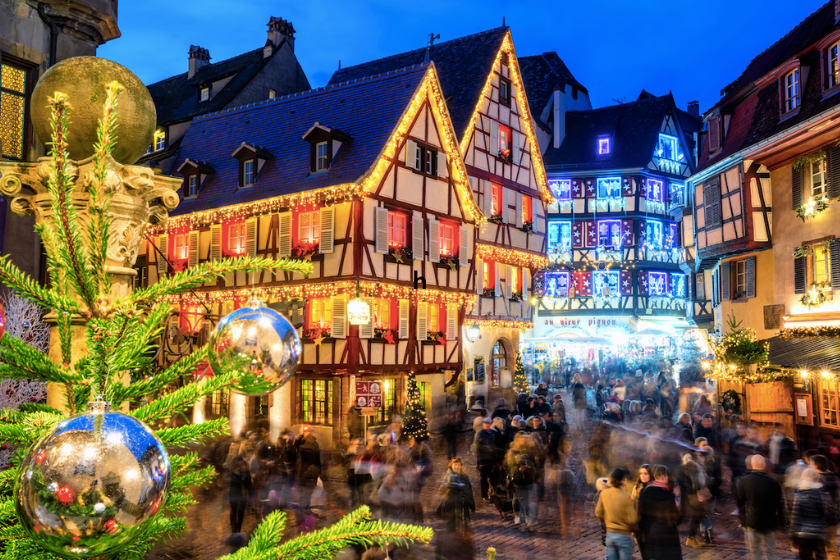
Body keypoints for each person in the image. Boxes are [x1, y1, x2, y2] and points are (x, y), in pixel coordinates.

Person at [736, 454, 785, 560]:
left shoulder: (743, 481)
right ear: (763, 465)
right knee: (771, 552)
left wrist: (743, 520)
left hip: (753, 520)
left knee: (755, 551)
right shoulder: (773, 482)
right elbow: (779, 505)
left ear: (752, 465)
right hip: (770, 521)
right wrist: (781, 522)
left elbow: (740, 503)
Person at [638, 465, 682, 560]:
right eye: (667, 476)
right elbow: (676, 518)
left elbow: (641, 513)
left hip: (649, 532)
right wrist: (677, 497)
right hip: (665, 534)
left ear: (654, 476)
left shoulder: (643, 492)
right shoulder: (668, 494)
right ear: (663, 477)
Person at [436, 458, 475, 560]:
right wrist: (441, 506)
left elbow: (469, 491)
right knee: (452, 529)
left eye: (459, 465)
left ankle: (463, 549)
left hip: (463, 507)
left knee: (464, 529)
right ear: (451, 466)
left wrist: (472, 504)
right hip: (451, 508)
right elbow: (441, 492)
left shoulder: (464, 477)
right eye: (455, 465)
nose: (457, 467)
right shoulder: (447, 476)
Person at [595, 467, 638, 560]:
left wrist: (608, 521)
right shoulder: (627, 497)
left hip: (610, 534)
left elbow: (598, 513)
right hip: (624, 535)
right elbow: (632, 519)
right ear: (623, 480)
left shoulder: (604, 494)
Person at [792, 468, 830, 560]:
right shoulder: (823, 495)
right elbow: (827, 515)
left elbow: (796, 518)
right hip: (819, 534)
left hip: (803, 535)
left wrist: (793, 536)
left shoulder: (799, 496)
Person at [810, 454, 839, 560]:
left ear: (815, 466)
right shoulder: (831, 477)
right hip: (832, 519)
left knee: (817, 549)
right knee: (831, 547)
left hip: (820, 521)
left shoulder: (816, 481)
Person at [295, 426, 322, 514]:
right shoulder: (301, 443)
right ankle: (302, 512)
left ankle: (307, 509)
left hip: (312, 472)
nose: (309, 432)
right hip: (303, 472)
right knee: (303, 493)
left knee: (309, 492)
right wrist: (300, 435)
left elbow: (318, 458)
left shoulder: (315, 443)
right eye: (306, 431)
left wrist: (319, 471)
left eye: (310, 431)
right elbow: (295, 444)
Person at [471, 417, 497, 500]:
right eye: (485, 423)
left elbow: (494, 445)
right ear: (483, 424)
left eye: (488, 423)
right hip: (483, 459)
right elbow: (476, 447)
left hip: (491, 459)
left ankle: (491, 493)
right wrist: (480, 457)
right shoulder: (480, 434)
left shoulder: (493, 433)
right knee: (483, 478)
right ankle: (484, 495)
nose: (486, 425)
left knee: (492, 477)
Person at [511, 453, 538, 531]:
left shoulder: (530, 466)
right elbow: (515, 479)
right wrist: (520, 472)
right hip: (521, 486)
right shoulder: (517, 467)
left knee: (528, 504)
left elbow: (533, 476)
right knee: (525, 504)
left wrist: (527, 470)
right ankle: (525, 524)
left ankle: (529, 524)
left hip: (528, 486)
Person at [228, 456, 253, 534]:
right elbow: (231, 482)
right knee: (233, 510)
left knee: (241, 511)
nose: (242, 466)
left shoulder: (246, 472)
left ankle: (238, 529)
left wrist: (251, 495)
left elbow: (249, 484)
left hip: (243, 495)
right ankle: (233, 529)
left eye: (242, 464)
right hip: (234, 493)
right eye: (240, 465)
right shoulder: (233, 473)